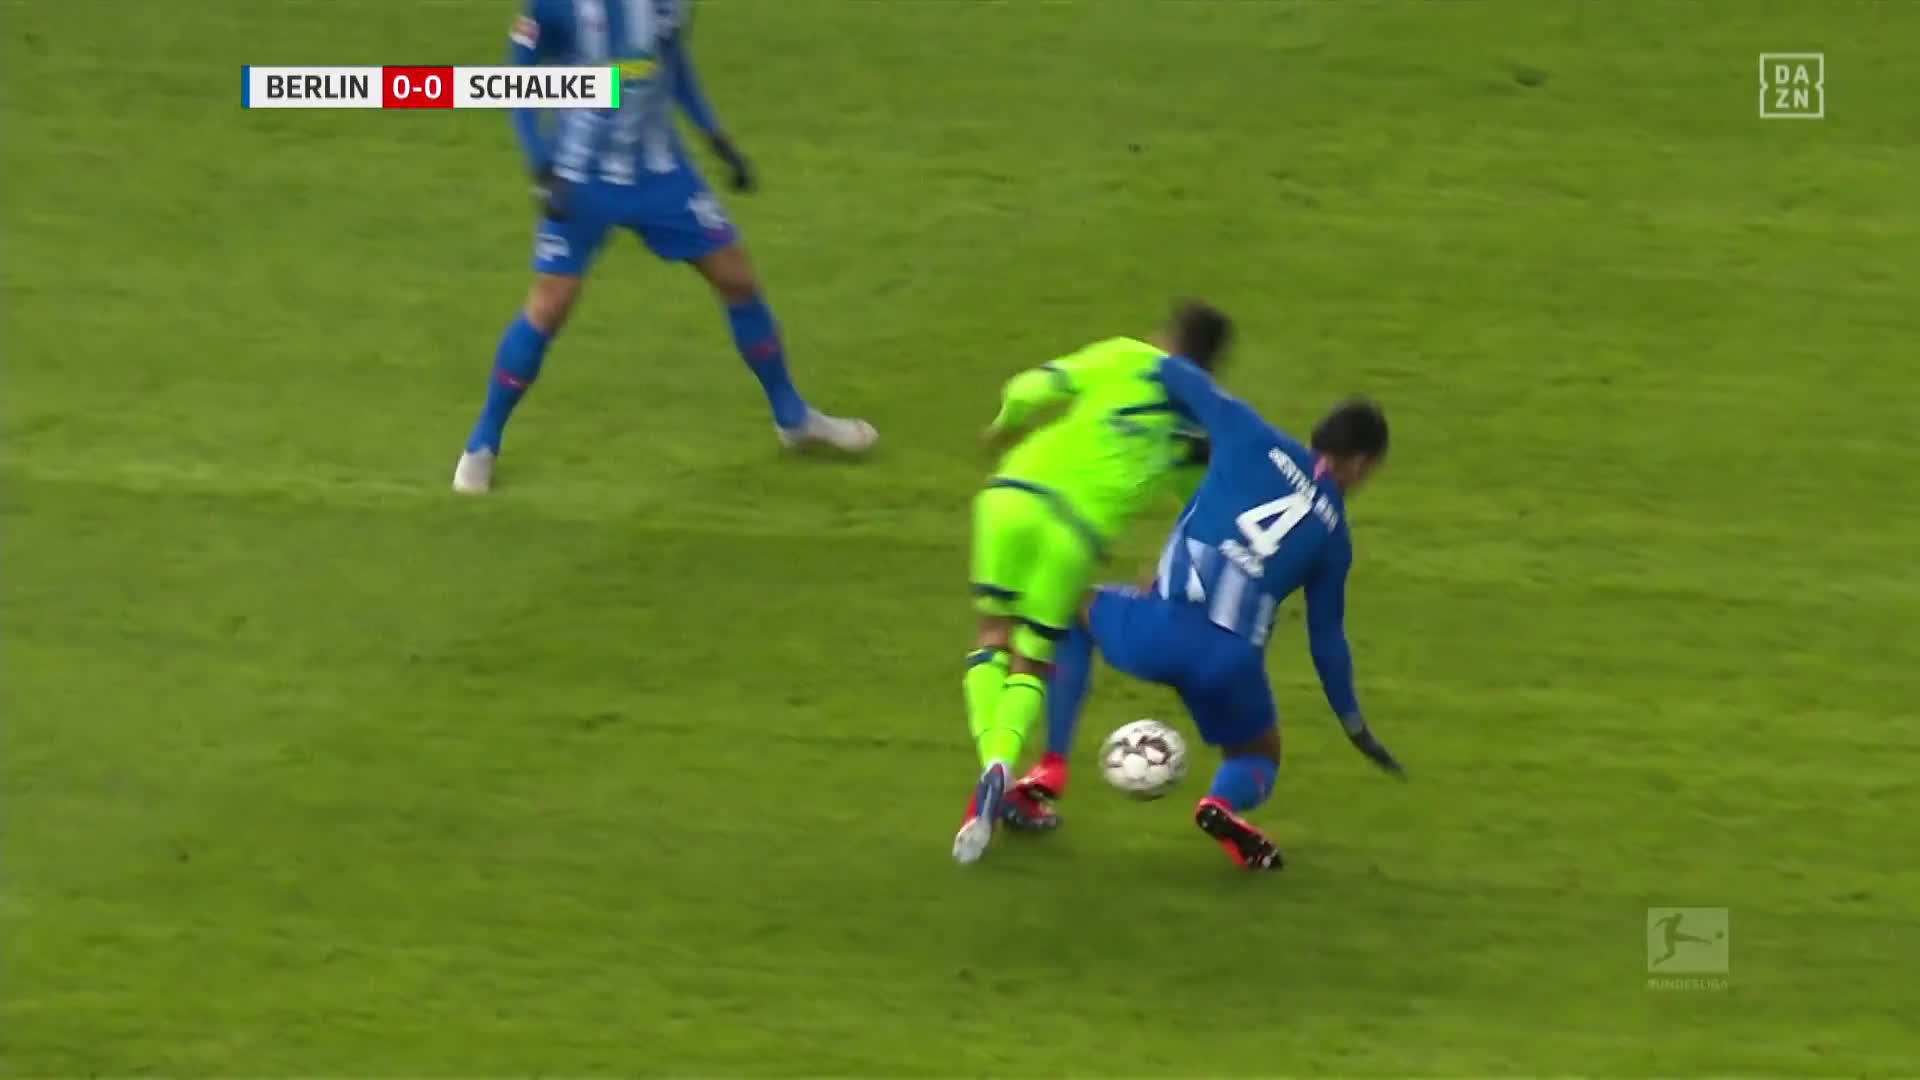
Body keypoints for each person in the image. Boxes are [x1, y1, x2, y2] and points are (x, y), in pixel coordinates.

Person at [453, 0, 876, 495]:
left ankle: (793, 418)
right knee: (550, 304)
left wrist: (716, 139)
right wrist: (540, 166)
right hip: (580, 177)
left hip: (660, 174)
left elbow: (671, 63)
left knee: (737, 279)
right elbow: (519, 74)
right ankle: (482, 444)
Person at [1017, 388, 1405, 869]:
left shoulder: (1252, 439)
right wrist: (1355, 726)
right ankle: (1221, 803)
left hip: (1156, 631)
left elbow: (1181, 381)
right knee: (1259, 756)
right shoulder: (1335, 538)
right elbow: (1327, 643)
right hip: (1230, 664)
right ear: (1361, 464)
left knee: (1071, 609)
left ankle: (1050, 767)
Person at [953, 301, 1230, 865]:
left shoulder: (1125, 356)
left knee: (990, 636)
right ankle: (1000, 774)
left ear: (1166, 337)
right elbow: (1207, 511)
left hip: (1010, 497)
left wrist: (1004, 425)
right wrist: (1170, 565)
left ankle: (994, 765)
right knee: (1030, 658)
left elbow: (1028, 388)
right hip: (1075, 533)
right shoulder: (1195, 428)